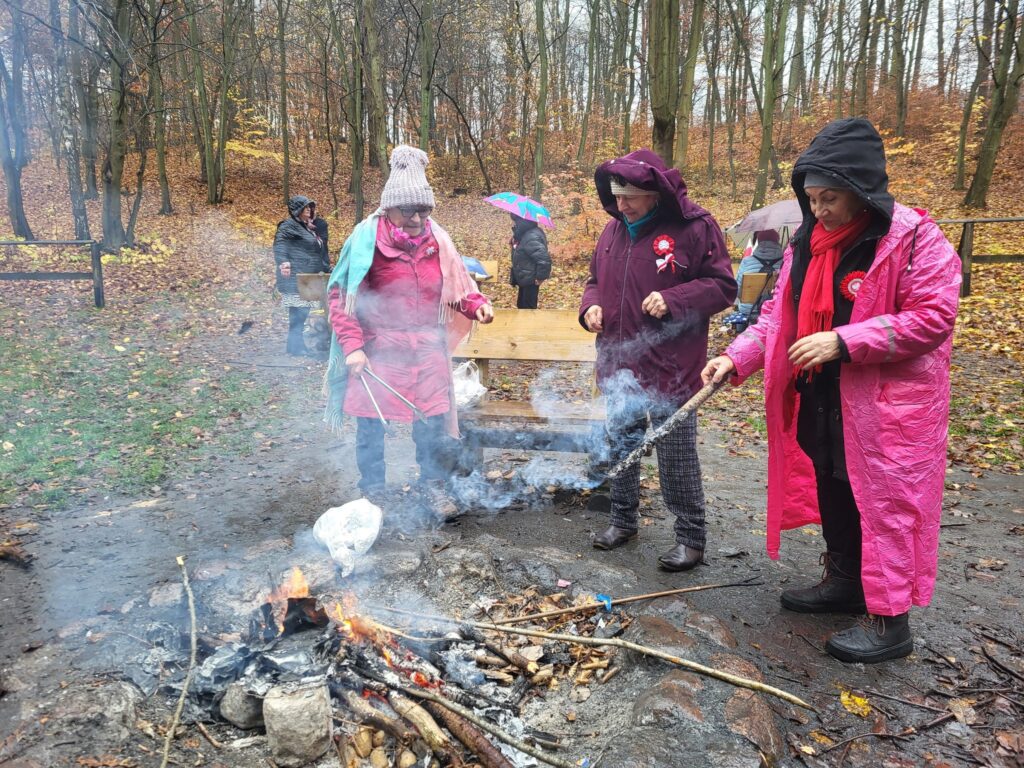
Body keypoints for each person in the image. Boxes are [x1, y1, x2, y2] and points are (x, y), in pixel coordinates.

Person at [701, 117, 960, 663]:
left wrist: (845, 341)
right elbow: (777, 319)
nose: (819, 210)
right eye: (812, 199)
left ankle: (890, 622)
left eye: (830, 198)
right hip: (824, 396)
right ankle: (845, 582)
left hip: (889, 407)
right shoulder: (806, 245)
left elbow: (933, 317)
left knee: (885, 505)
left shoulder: (914, 238)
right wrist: (734, 357)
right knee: (834, 485)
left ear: (861, 189)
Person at [580, 148, 736, 571]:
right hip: (620, 363)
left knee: (676, 455)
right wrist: (590, 307)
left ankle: (690, 538)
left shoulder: (695, 227)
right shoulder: (613, 230)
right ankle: (622, 520)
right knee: (622, 444)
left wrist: (675, 298)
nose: (621, 206)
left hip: (672, 365)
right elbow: (594, 280)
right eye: (615, 197)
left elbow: (723, 287)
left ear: (655, 194)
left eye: (630, 198)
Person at [324, 145, 494, 519]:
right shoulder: (365, 240)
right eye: (408, 210)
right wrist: (353, 347)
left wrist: (476, 305)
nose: (417, 218)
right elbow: (341, 297)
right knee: (371, 427)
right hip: (380, 350)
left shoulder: (439, 241)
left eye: (424, 210)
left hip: (427, 349)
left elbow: (458, 285)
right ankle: (373, 495)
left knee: (431, 423)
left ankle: (432, 488)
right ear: (389, 208)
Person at [274, 195, 330, 356]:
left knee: (302, 312)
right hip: (295, 276)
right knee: (298, 313)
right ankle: (295, 347)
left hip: (307, 276)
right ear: (297, 210)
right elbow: (280, 244)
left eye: (309, 207)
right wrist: (283, 262)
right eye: (305, 207)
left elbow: (317, 250)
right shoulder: (289, 226)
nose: (309, 210)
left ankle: (295, 346)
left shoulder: (305, 227)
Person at [735, 228, 783, 320]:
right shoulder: (785, 262)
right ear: (777, 241)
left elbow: (737, 291)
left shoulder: (746, 261)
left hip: (749, 311)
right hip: (775, 310)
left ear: (759, 241)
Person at [509, 213, 551, 309]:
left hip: (530, 280)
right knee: (521, 306)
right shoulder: (525, 234)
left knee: (528, 309)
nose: (514, 224)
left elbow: (544, 259)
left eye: (516, 221)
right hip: (524, 278)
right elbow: (522, 252)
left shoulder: (531, 236)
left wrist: (540, 278)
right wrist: (514, 243)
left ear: (522, 222)